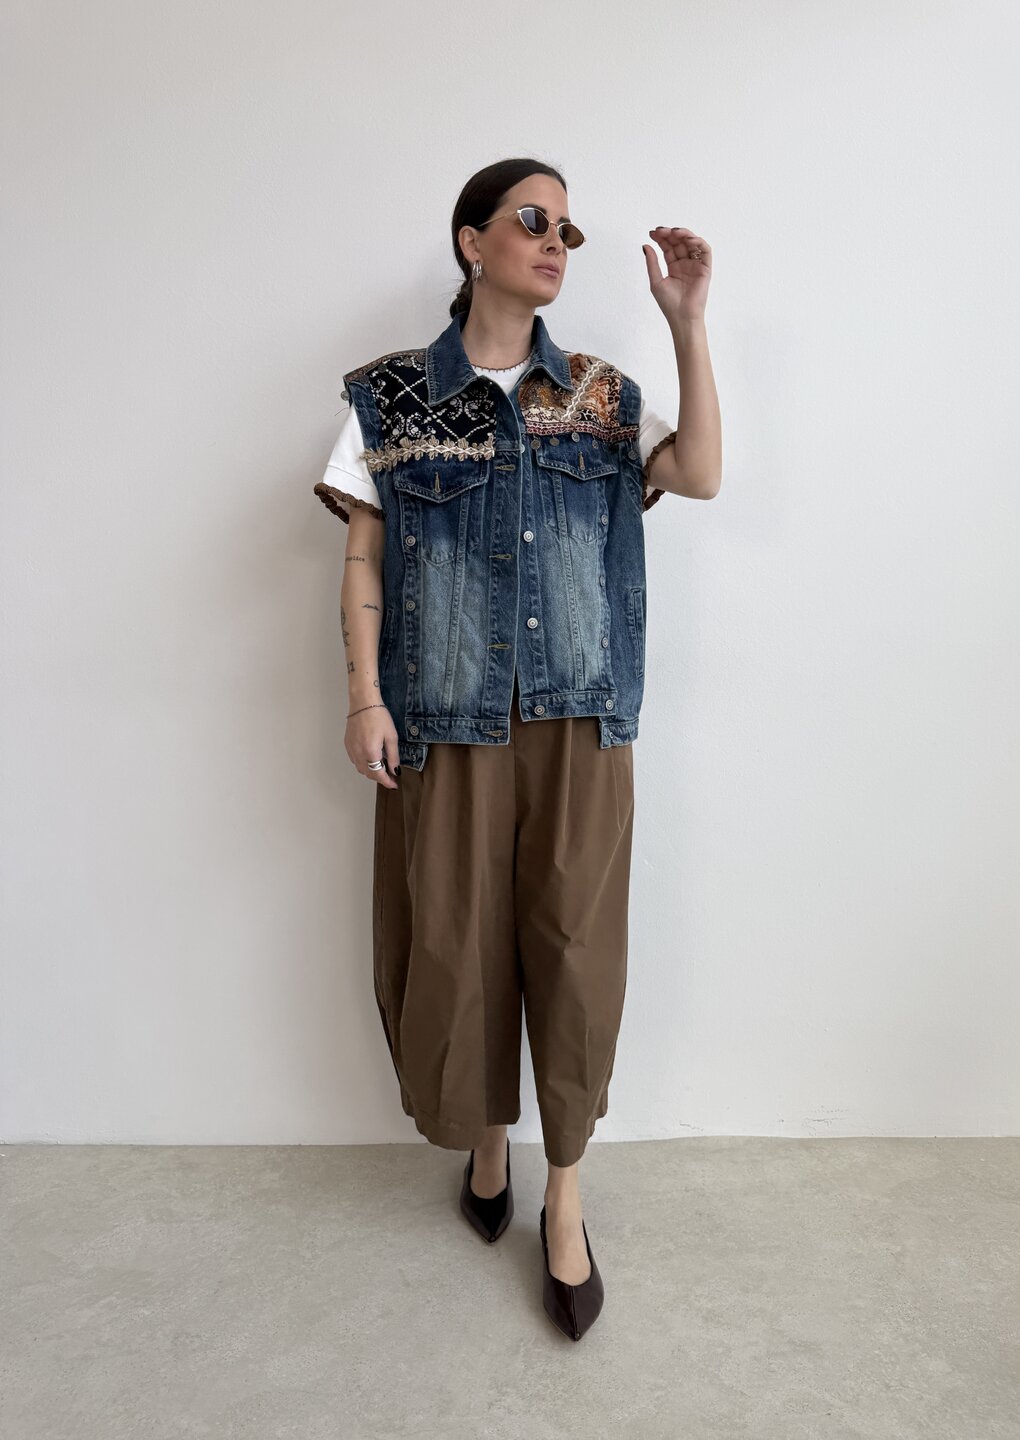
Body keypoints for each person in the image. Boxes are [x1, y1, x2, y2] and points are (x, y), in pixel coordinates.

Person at [314, 158, 722, 1340]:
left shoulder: (598, 394)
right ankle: (488, 1143)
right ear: (471, 241)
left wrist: (686, 324)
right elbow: (362, 556)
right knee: (456, 944)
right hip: (441, 720)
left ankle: (566, 1198)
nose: (555, 243)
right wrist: (363, 696)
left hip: (579, 719)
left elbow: (699, 475)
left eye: (567, 231)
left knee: (576, 955)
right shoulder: (390, 398)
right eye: (533, 221)